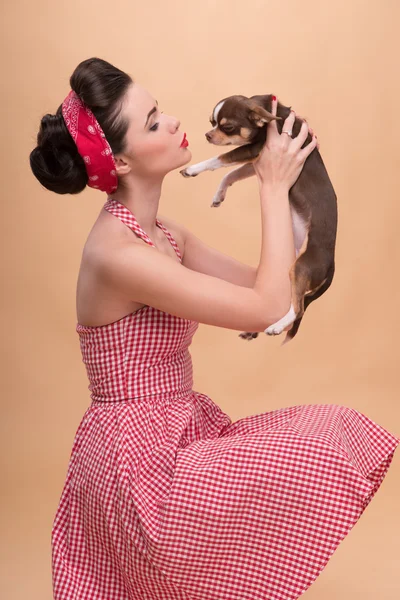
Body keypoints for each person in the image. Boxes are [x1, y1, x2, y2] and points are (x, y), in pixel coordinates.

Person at [30, 57, 399, 600]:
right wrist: (269, 187)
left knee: (332, 431)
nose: (176, 122)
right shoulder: (118, 255)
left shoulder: (165, 236)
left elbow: (265, 291)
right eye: (154, 122)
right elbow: (265, 305)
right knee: (311, 453)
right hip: (135, 465)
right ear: (123, 162)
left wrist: (302, 182)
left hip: (180, 432)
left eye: (161, 109)